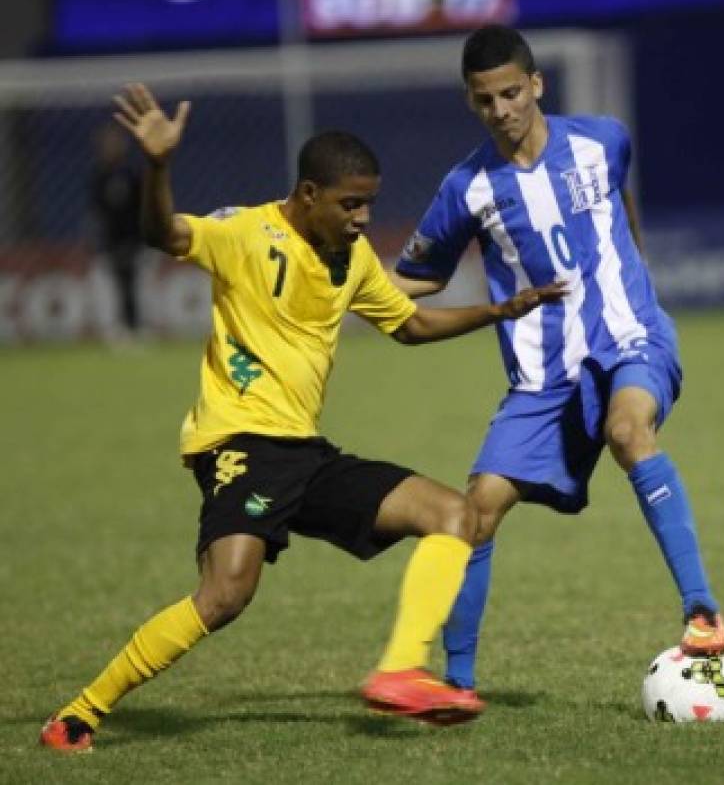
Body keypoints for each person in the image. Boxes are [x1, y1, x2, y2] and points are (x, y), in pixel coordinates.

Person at [40, 83, 559, 752]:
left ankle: (400, 671)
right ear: (307, 194)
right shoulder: (245, 233)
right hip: (238, 442)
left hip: (306, 454)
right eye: (350, 203)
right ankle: (79, 714)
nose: (363, 216)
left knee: (455, 516)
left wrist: (498, 310)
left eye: (369, 202)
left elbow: (410, 325)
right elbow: (161, 233)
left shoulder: (352, 262)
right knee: (225, 596)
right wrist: (159, 166)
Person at [392, 25, 724, 699]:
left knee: (628, 431)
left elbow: (619, 201)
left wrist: (633, 285)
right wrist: (341, 287)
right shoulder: (466, 189)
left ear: (536, 84)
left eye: (512, 93)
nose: (502, 110)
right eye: (485, 100)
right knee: (475, 511)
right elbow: (417, 276)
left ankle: (701, 611)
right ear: (471, 102)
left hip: (628, 338)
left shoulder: (600, 139)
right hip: (541, 380)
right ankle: (457, 687)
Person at [88, 121, 144, 341]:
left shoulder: (132, 173)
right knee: (108, 284)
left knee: (135, 282)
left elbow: (143, 206)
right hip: (110, 240)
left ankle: (137, 326)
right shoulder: (98, 176)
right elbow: (96, 210)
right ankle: (113, 327)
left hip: (134, 238)